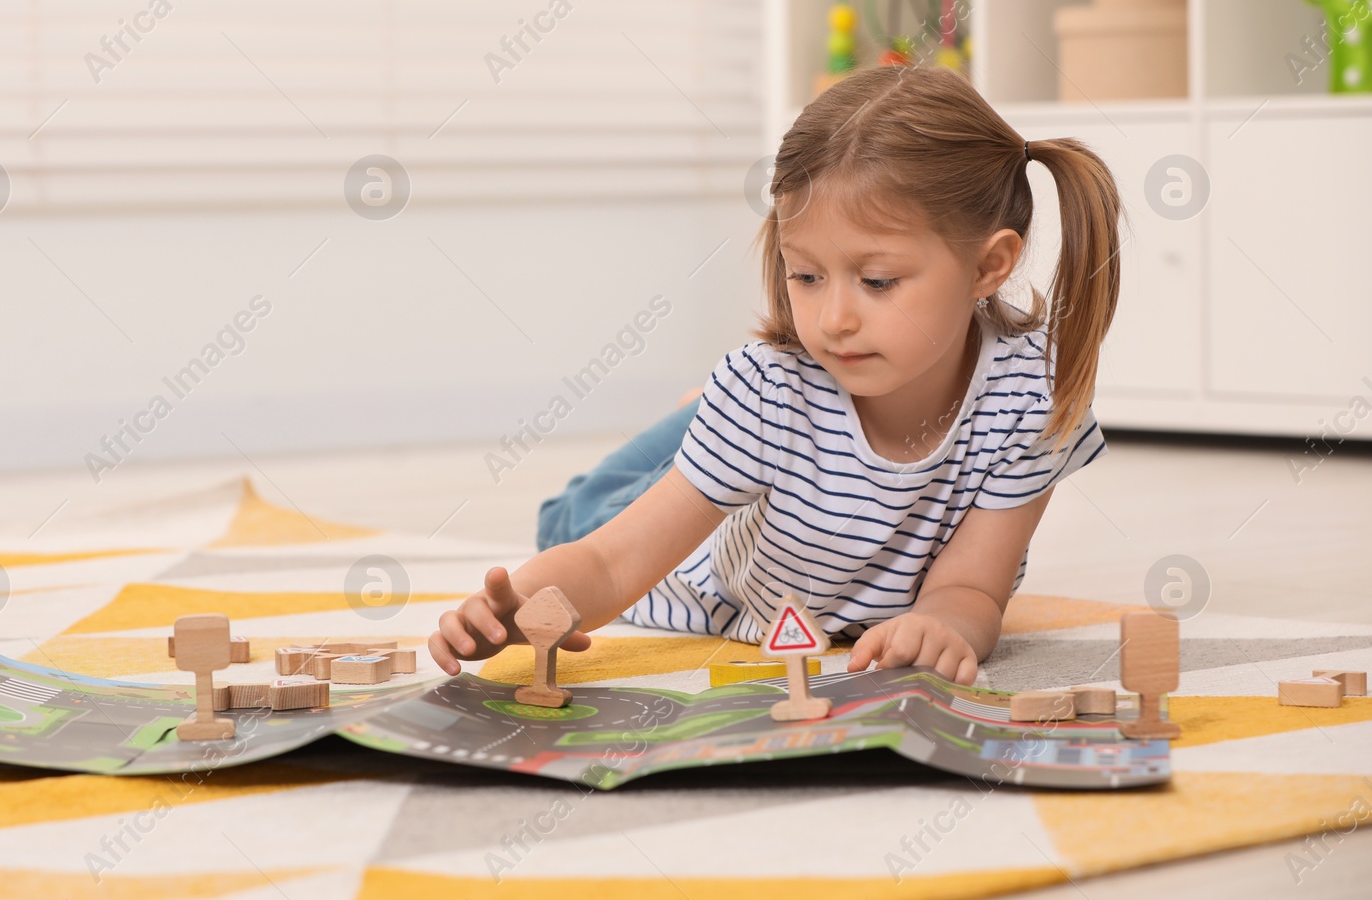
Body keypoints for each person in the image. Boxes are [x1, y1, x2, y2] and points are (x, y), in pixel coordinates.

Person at [429, 65, 1121, 686]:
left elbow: (972, 588)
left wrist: (945, 626)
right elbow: (610, 563)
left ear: (989, 265)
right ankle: (698, 419)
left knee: (743, 407)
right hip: (700, 558)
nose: (835, 319)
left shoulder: (1031, 398)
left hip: (760, 430)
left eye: (878, 280)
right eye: (807, 276)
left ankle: (697, 416)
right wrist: (518, 610)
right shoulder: (770, 394)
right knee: (573, 517)